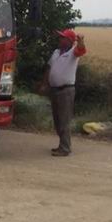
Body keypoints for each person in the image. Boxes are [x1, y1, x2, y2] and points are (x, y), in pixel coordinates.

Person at [42, 29, 87, 157]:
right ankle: (62, 145)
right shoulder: (56, 52)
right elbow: (49, 68)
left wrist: (81, 41)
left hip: (66, 90)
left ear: (69, 41)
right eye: (60, 37)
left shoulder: (73, 52)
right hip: (54, 89)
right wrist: (44, 83)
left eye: (63, 37)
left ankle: (65, 148)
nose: (60, 39)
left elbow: (81, 50)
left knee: (64, 120)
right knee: (57, 120)